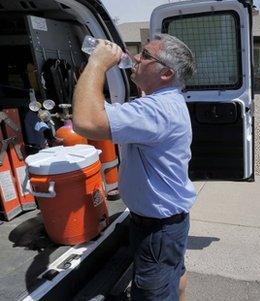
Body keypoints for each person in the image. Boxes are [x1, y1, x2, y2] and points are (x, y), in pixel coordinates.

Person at [72, 33, 197, 301]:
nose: (136, 57)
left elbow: (84, 121)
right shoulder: (166, 101)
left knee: (152, 295)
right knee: (173, 276)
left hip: (158, 230)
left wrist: (97, 63)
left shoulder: (156, 111)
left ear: (165, 74)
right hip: (168, 225)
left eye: (146, 55)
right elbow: (103, 112)